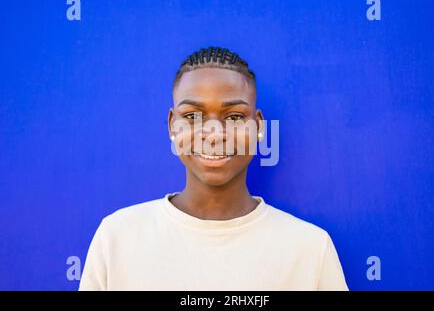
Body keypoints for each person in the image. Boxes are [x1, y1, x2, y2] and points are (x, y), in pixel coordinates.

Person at [79, 46, 348, 290]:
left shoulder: (310, 249)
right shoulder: (117, 238)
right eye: (193, 116)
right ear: (173, 125)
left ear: (258, 127)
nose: (214, 133)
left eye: (234, 117)